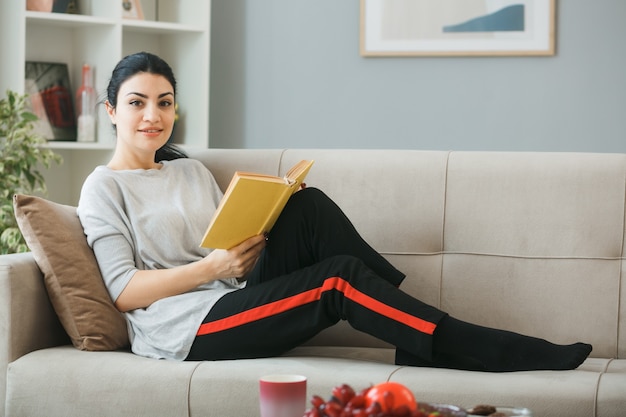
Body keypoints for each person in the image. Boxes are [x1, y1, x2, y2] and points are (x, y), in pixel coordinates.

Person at [77, 51, 592, 371]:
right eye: (137, 102)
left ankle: (418, 336)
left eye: (164, 103)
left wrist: (255, 232)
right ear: (111, 112)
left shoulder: (187, 170)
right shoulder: (102, 188)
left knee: (308, 205)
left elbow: (224, 239)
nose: (153, 115)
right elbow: (123, 293)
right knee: (338, 280)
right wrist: (212, 268)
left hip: (232, 291)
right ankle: (488, 348)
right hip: (184, 329)